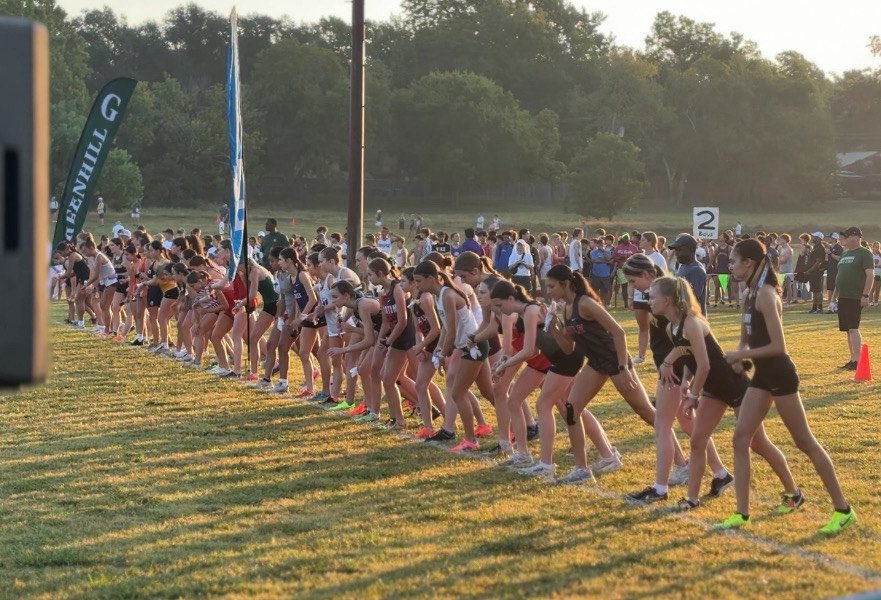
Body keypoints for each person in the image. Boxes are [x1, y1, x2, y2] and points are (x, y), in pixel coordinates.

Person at [720, 239, 855, 534]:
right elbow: (746, 337)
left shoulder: (767, 295)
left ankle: (843, 510)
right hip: (762, 377)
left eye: (734, 261)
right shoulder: (749, 293)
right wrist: (740, 353)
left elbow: (778, 346)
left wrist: (742, 355)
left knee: (804, 442)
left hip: (780, 375)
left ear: (750, 263)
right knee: (741, 438)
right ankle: (741, 514)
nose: (730, 267)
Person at [831, 226, 874, 370]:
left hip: (855, 296)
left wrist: (865, 295)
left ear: (855, 237)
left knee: (853, 328)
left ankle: (857, 361)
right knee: (848, 329)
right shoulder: (844, 254)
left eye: (847, 237)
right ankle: (852, 359)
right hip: (843, 296)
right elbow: (839, 276)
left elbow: (870, 275)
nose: (844, 239)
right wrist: (833, 297)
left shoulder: (864, 253)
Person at [668, 234, 706, 315]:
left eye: (679, 250)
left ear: (691, 250)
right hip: (684, 317)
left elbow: (692, 299)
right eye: (675, 250)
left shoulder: (696, 270)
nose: (676, 253)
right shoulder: (683, 266)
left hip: (693, 319)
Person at [804, 232, 827, 313]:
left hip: (816, 272)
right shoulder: (815, 247)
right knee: (814, 290)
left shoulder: (820, 248)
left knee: (817, 290)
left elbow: (818, 262)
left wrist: (809, 271)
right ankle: (814, 307)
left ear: (818, 238)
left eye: (814, 236)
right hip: (813, 272)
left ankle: (820, 308)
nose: (812, 238)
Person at [825, 232, 843, 312]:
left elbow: (839, 258)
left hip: (836, 270)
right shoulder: (831, 247)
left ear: (834, 239)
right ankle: (831, 306)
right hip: (830, 270)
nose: (829, 239)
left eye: (830, 237)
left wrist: (830, 253)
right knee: (830, 288)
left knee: (835, 289)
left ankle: (835, 306)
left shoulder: (838, 247)